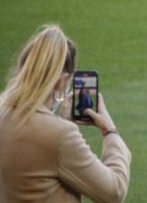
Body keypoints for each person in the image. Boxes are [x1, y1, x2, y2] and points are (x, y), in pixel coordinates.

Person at [0, 25, 131, 203]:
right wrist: (110, 132)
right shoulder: (60, 134)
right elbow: (114, 191)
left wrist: (58, 121)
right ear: (62, 81)